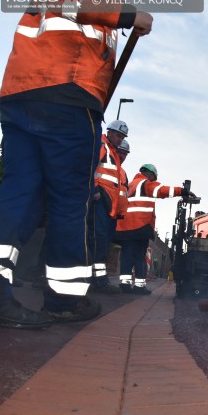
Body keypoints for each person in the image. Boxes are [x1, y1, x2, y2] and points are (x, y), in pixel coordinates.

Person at [0, 0, 152, 329]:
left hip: (23, 94)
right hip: (67, 96)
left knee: (20, 192)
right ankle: (64, 301)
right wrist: (129, 15)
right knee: (70, 200)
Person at [115, 164, 196, 294]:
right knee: (139, 256)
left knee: (127, 255)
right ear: (150, 174)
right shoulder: (145, 183)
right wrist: (182, 191)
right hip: (140, 225)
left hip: (124, 227)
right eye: (153, 177)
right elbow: (162, 190)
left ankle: (124, 284)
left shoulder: (130, 185)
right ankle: (139, 286)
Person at [90, 121, 129, 294]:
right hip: (100, 201)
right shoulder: (103, 146)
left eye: (122, 137)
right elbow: (89, 166)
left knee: (102, 242)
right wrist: (93, 190)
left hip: (109, 208)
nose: (119, 139)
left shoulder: (113, 154)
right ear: (110, 132)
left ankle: (97, 280)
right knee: (97, 240)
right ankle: (98, 281)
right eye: (118, 135)